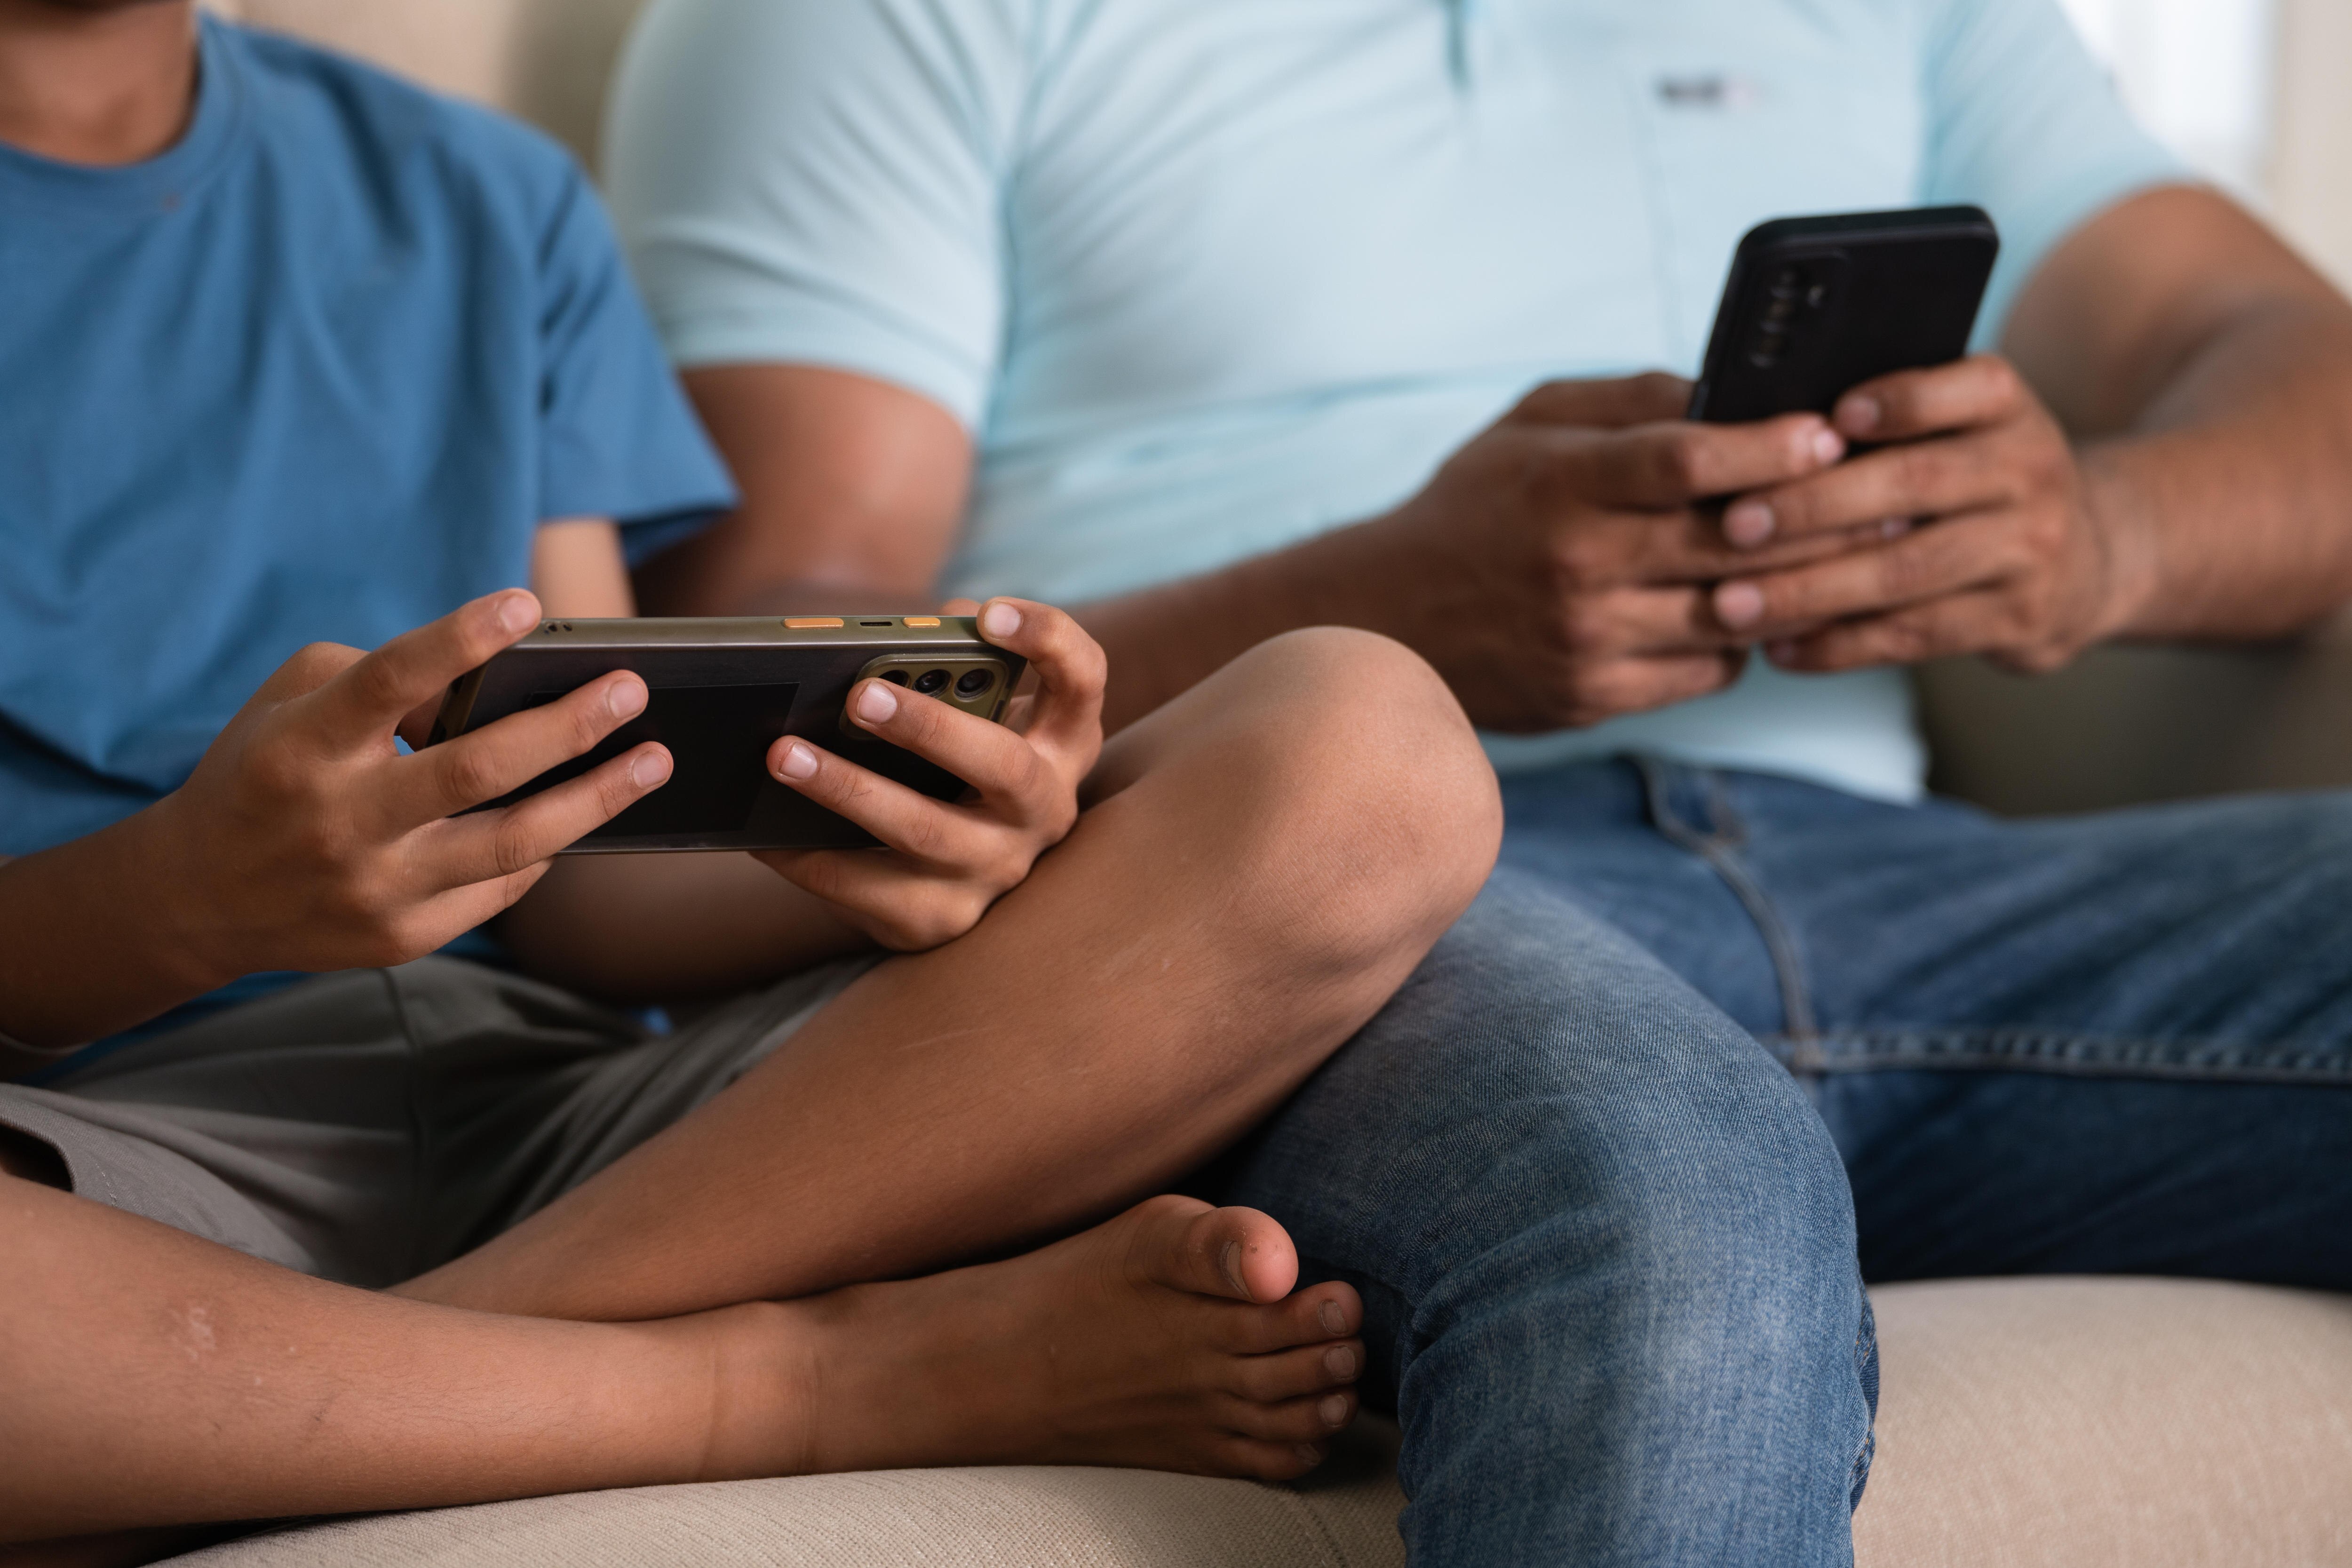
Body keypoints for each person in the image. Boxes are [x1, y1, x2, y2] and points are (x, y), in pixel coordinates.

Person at [604, 0, 2352, 1562]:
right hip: (1308, 910)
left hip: (1895, 879)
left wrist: (2097, 538)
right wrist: (1378, 605)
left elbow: (2305, 379)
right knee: (1663, 1194)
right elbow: (762, 681)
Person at [0, 1, 1508, 1558]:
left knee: (1366, 753)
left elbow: (595, 894)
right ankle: (783, 1387)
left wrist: (923, 835)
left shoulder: (482, 198)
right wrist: (170, 907)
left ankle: (282, 1410)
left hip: (606, 1138)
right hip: (88, 1143)